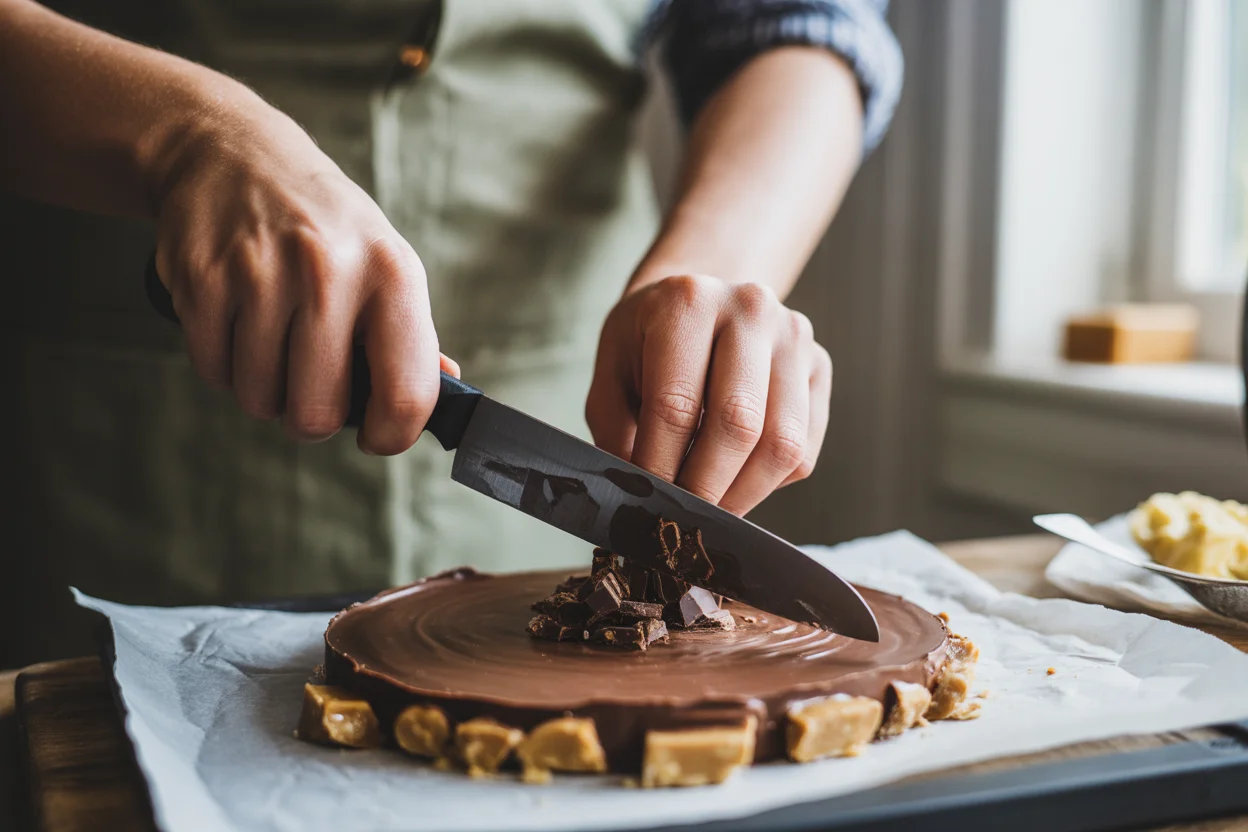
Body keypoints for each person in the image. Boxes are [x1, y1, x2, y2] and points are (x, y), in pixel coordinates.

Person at [0, 0, 901, 666]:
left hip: (567, 404)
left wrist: (711, 265)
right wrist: (183, 135)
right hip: (127, 465)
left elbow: (798, 23)